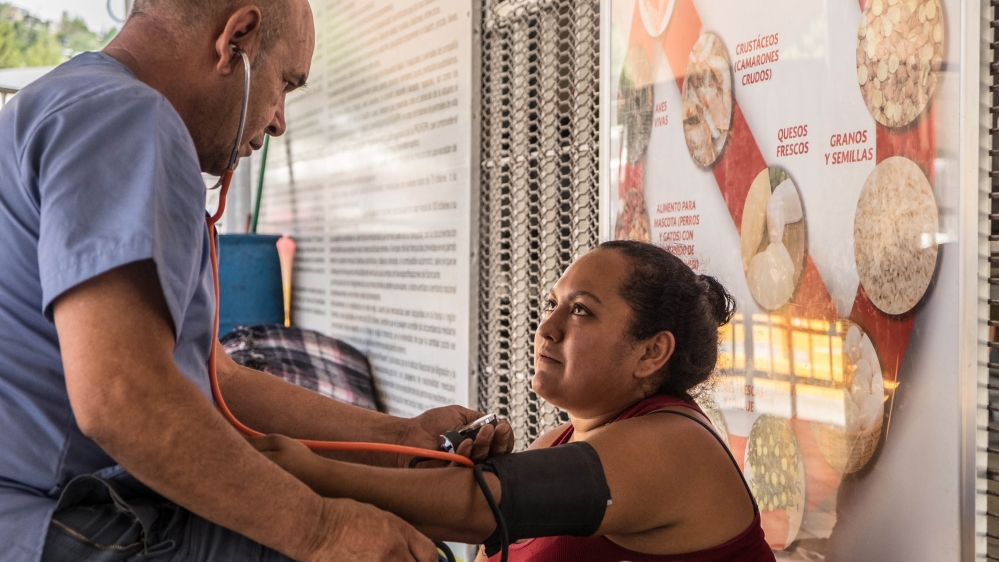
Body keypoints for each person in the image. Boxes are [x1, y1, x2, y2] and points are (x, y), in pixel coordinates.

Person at [0, 1, 512, 561]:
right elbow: (123, 396)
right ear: (237, 39)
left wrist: (399, 440)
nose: (278, 120)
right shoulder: (126, 119)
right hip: (50, 524)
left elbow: (214, 378)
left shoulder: (63, 101)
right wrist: (323, 532)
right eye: (285, 84)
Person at [253, 241, 776, 561]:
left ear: (652, 352)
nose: (547, 328)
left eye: (581, 311)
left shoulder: (678, 447)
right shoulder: (556, 442)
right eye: (553, 304)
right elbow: (478, 510)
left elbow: (482, 507)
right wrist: (438, 473)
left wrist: (308, 471)